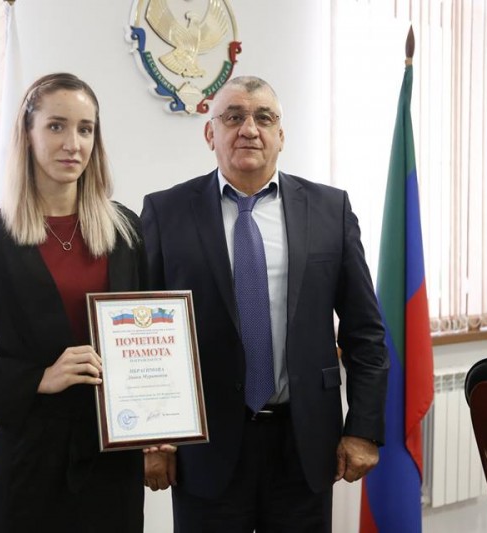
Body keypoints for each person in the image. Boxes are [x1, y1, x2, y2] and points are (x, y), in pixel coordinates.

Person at [141, 76, 389, 532]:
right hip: (205, 449)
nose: (249, 129)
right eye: (233, 117)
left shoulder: (329, 210)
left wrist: (363, 428)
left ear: (281, 134)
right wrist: (153, 440)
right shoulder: (166, 212)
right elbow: (149, 336)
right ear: (210, 133)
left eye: (264, 118)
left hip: (304, 444)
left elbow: (365, 332)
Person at [0, 73, 147, 533]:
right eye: (56, 126)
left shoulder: (126, 230)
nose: (73, 144)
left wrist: (162, 425)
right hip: (32, 459)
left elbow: (152, 339)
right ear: (27, 134)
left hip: (113, 458)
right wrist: (38, 379)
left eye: (85, 129)